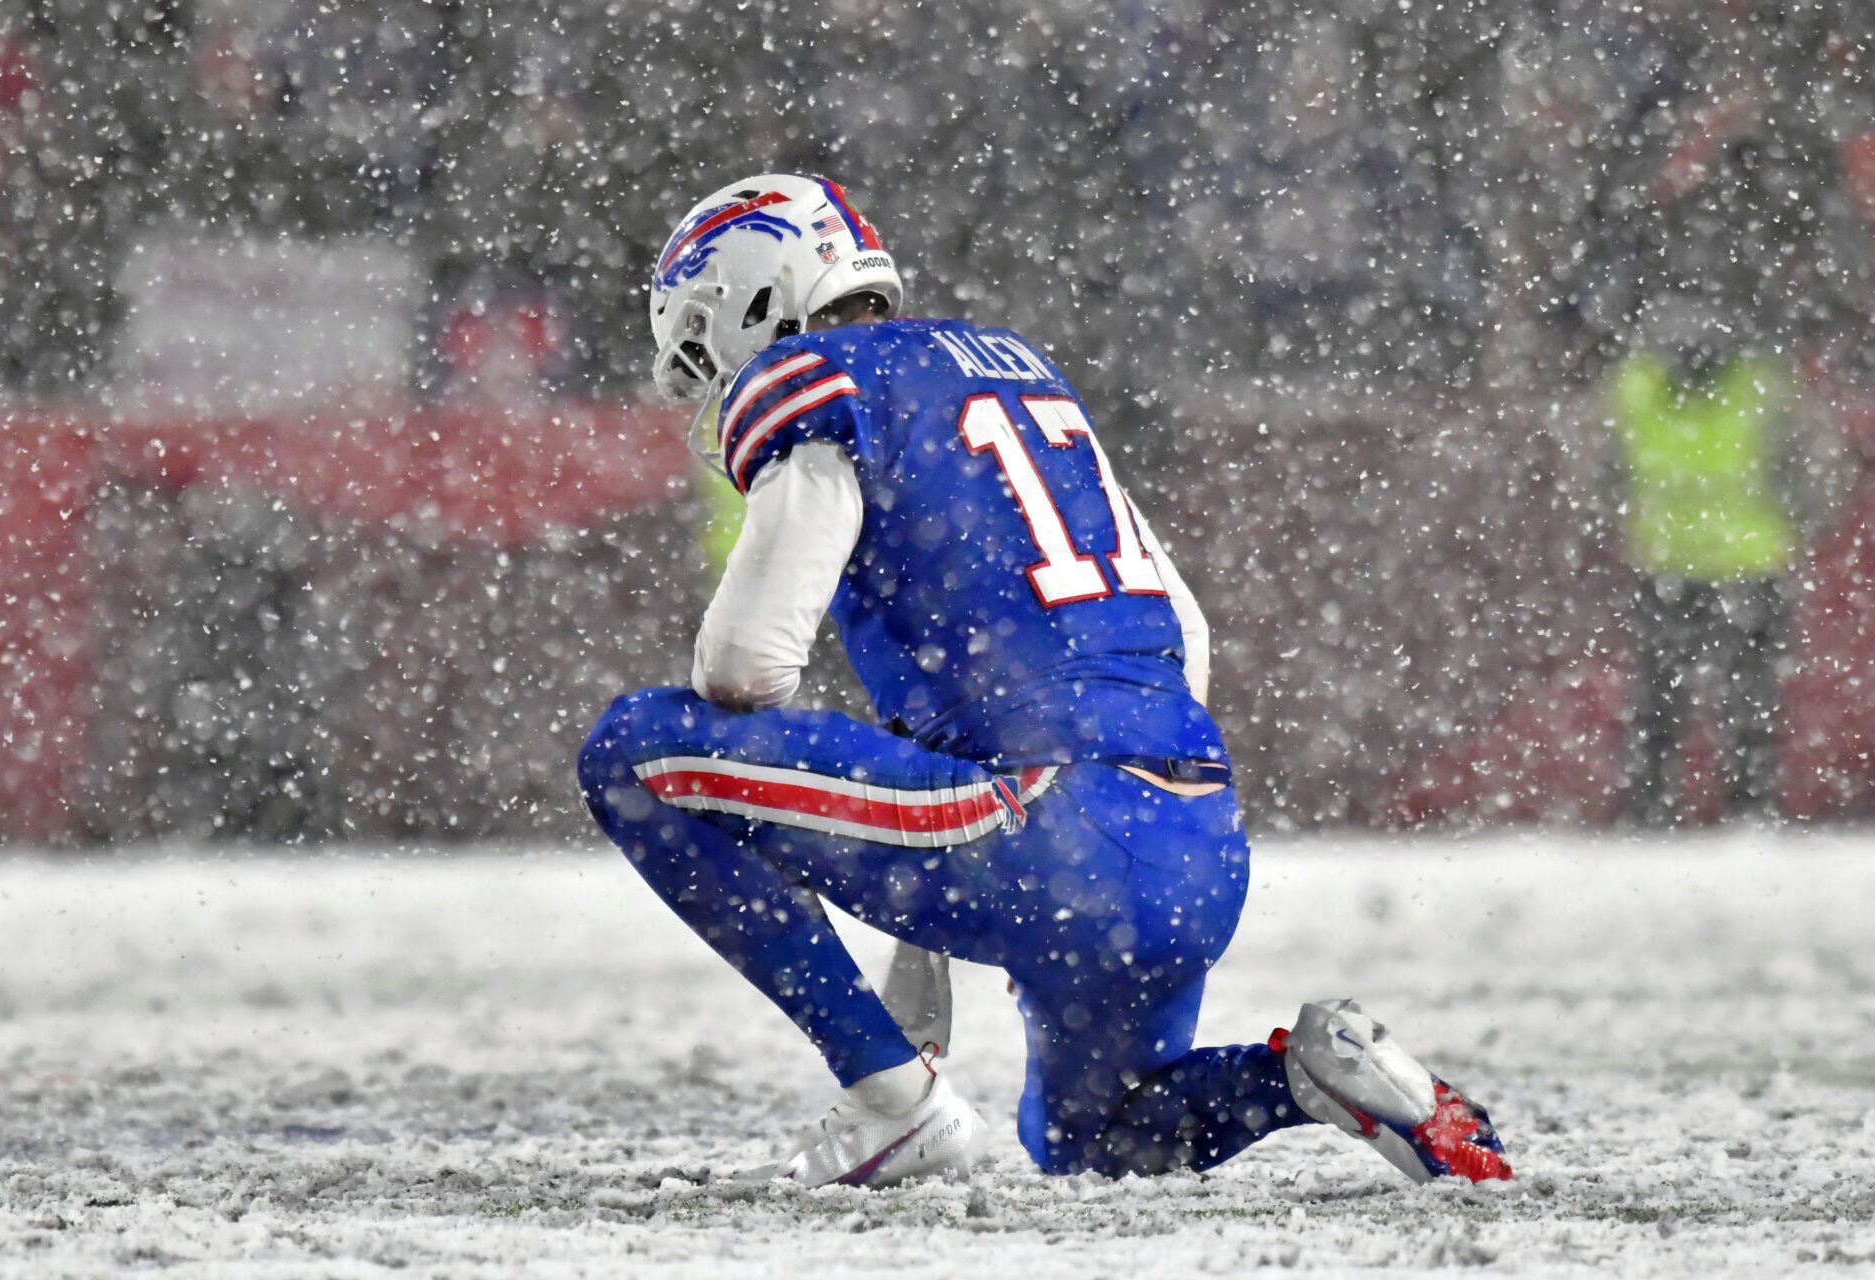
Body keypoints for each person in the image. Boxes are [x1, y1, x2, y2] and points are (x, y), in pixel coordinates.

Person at [578, 174, 1510, 1187]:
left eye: (705, 339)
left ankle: (889, 1101)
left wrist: (838, 837)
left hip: (1048, 825)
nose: (713, 373)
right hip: (1195, 834)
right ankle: (1308, 1077)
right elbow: (1185, 637)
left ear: (753, 296)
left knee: (635, 751)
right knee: (1101, 1137)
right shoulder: (1018, 371)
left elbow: (746, 665)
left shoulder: (816, 381)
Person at [1610, 307, 1797, 826]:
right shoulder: (1760, 388)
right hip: (1736, 562)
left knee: (1680, 703)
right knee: (1731, 702)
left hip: (1690, 563)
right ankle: (1741, 810)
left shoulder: (1637, 387)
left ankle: (1658, 810)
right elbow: (1809, 465)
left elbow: (1602, 471)